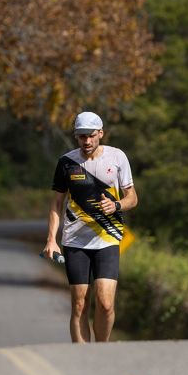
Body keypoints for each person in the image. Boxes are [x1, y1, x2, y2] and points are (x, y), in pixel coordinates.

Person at [43, 111, 137, 343]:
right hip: (75, 241)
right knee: (80, 304)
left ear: (101, 134)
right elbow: (56, 202)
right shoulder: (67, 162)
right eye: (81, 136)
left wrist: (116, 205)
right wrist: (51, 239)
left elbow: (132, 198)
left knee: (105, 303)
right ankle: (82, 355)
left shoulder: (117, 158)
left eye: (90, 136)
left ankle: (101, 350)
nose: (86, 141)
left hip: (108, 238)